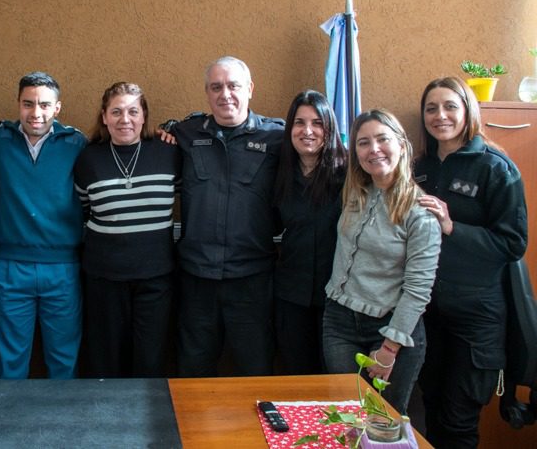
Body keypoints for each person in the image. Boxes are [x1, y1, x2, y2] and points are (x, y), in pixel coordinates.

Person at [414, 77, 527, 449]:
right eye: (431, 108)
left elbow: (513, 243)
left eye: (450, 106)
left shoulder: (495, 167)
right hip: (428, 314)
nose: (440, 116)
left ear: (468, 112)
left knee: (458, 423)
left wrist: (453, 227)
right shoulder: (420, 167)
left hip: (476, 319)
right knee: (430, 410)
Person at [170, 56, 284, 377]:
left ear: (250, 89)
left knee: (255, 371)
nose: (225, 94)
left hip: (252, 280)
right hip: (197, 279)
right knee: (192, 374)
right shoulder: (185, 134)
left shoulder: (277, 138)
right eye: (216, 87)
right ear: (207, 93)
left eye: (233, 86)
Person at [323, 109, 440, 415]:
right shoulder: (355, 194)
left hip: (390, 330)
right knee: (347, 416)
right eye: (363, 143)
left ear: (401, 144)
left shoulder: (421, 212)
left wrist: (389, 348)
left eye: (382, 139)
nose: (373, 149)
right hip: (339, 322)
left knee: (382, 421)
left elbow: (418, 289)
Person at [73, 82, 180, 378]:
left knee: (150, 359)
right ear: (104, 117)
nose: (125, 119)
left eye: (133, 111)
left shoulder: (168, 153)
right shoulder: (88, 158)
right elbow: (84, 209)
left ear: (144, 116)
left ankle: (145, 410)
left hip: (156, 277)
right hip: (104, 278)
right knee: (106, 361)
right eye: (116, 112)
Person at [0, 71, 86, 379]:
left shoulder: (76, 143)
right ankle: (11, 412)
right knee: (11, 360)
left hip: (63, 267)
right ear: (18, 104)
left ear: (57, 108)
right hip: (11, 266)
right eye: (28, 104)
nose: (36, 113)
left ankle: (61, 411)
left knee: (63, 358)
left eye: (44, 105)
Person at [272, 90, 346, 375]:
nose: (308, 131)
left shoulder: (350, 175)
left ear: (329, 128)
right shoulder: (279, 173)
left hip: (337, 298)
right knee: (297, 377)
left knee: (334, 381)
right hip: (291, 296)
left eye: (317, 123)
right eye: (299, 123)